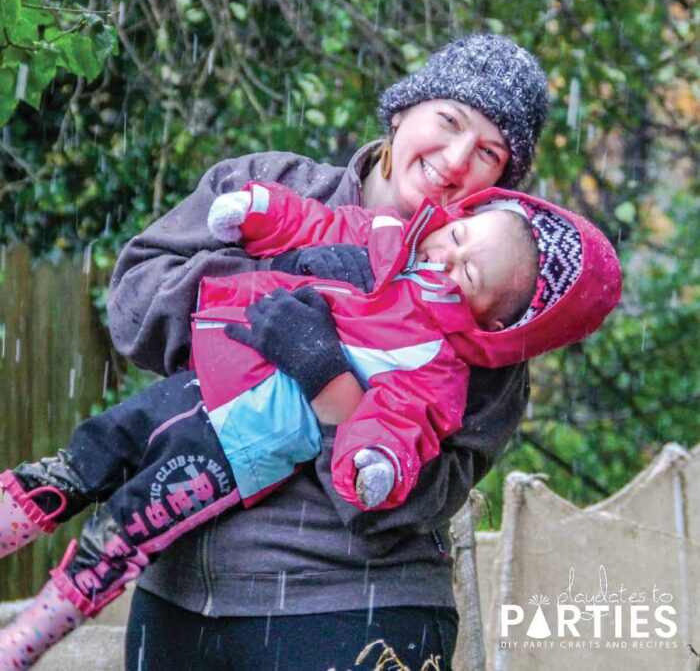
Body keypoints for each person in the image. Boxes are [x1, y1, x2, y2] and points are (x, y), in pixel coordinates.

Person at [0, 179, 621, 668]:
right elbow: (311, 221)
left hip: (242, 445)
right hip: (205, 376)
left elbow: (396, 427)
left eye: (469, 276)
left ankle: (37, 627)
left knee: (131, 525)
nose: (445, 262)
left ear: (495, 326)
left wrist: (362, 443)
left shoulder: (439, 367)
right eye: (457, 241)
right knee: (92, 450)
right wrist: (257, 211)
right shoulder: (382, 235)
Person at [116, 33, 550, 670]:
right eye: (449, 121)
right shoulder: (268, 185)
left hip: (359, 610)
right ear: (404, 111)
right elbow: (134, 302)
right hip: (179, 594)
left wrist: (330, 380)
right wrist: (270, 291)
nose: (456, 159)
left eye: (488, 151)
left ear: (500, 182)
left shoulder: (488, 314)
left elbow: (419, 495)